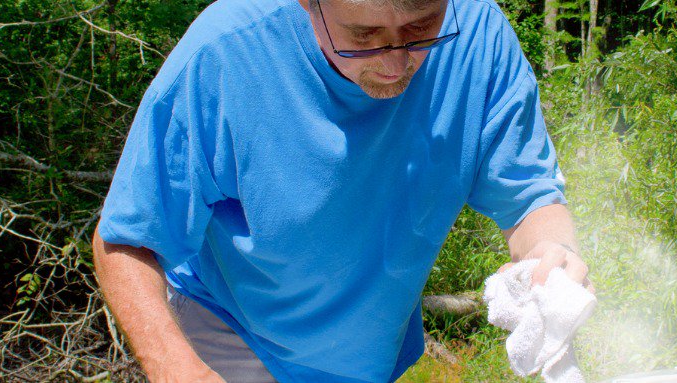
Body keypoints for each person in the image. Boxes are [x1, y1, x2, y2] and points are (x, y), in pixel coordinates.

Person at [92, 0, 589, 381]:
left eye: (421, 28)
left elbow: (529, 198)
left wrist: (553, 252)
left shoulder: (479, 35)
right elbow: (126, 238)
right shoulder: (222, 56)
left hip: (369, 355)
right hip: (231, 334)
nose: (396, 64)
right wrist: (177, 368)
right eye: (363, 35)